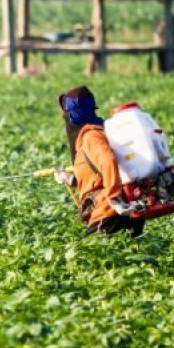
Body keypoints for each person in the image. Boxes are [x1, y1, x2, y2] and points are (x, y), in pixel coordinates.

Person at [54, 86, 146, 237]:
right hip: (125, 211)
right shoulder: (103, 132)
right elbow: (99, 175)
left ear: (73, 116)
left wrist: (113, 198)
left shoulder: (91, 136)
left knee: (90, 257)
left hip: (108, 213)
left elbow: (108, 160)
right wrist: (70, 179)